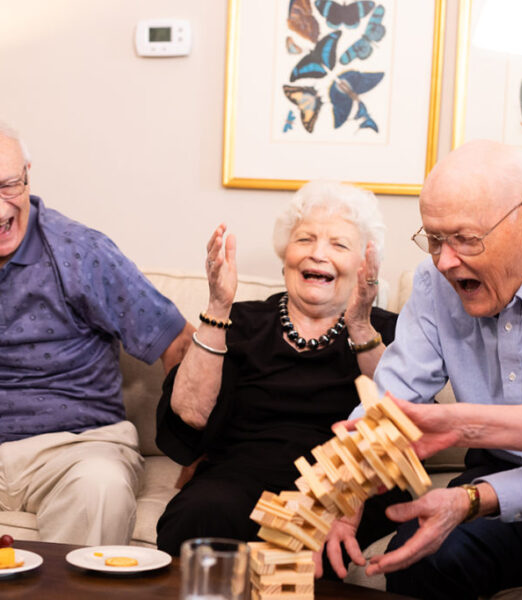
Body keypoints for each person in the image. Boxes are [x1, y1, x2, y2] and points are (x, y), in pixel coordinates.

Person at [333, 140, 522, 599]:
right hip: (500, 470)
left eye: (464, 239)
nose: (444, 260)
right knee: (421, 562)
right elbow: (391, 402)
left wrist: (470, 493)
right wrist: (347, 487)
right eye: (434, 239)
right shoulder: (434, 282)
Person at [154, 180, 408, 565]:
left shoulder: (385, 332)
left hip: (345, 486)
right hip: (239, 478)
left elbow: (402, 417)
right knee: (199, 513)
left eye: (338, 244)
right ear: (285, 252)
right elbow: (191, 414)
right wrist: (219, 307)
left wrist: (359, 325)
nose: (318, 254)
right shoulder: (239, 322)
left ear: (363, 264)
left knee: (318, 535)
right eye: (305, 239)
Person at [0, 121, 194, 545]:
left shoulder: (79, 253)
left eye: (8, 186)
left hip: (75, 450)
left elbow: (178, 341)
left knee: (99, 488)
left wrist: (196, 450)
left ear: (28, 173)